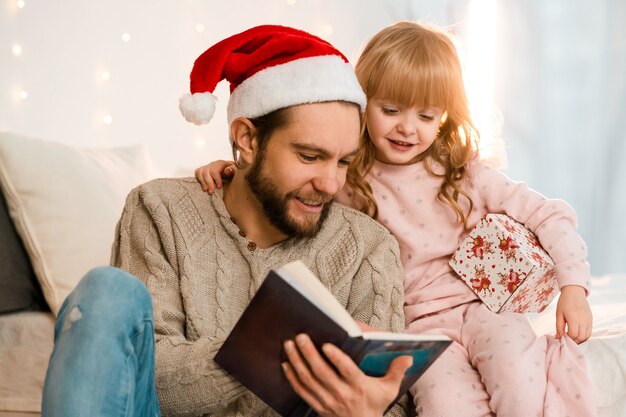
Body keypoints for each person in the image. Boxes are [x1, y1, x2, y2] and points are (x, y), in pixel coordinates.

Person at [195, 21, 598, 417]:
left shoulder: (462, 169)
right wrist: (236, 170)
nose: (407, 128)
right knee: (444, 406)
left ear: (444, 115)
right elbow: (294, 185)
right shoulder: (347, 174)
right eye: (390, 110)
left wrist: (574, 288)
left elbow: (549, 214)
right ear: (363, 103)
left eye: (426, 116)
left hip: (486, 309)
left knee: (520, 388)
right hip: (418, 329)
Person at [41, 25, 415, 417]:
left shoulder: (370, 247)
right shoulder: (159, 208)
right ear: (247, 141)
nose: (330, 183)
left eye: (344, 161)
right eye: (309, 156)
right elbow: (143, 377)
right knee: (106, 290)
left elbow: (393, 401)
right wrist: (272, 346)